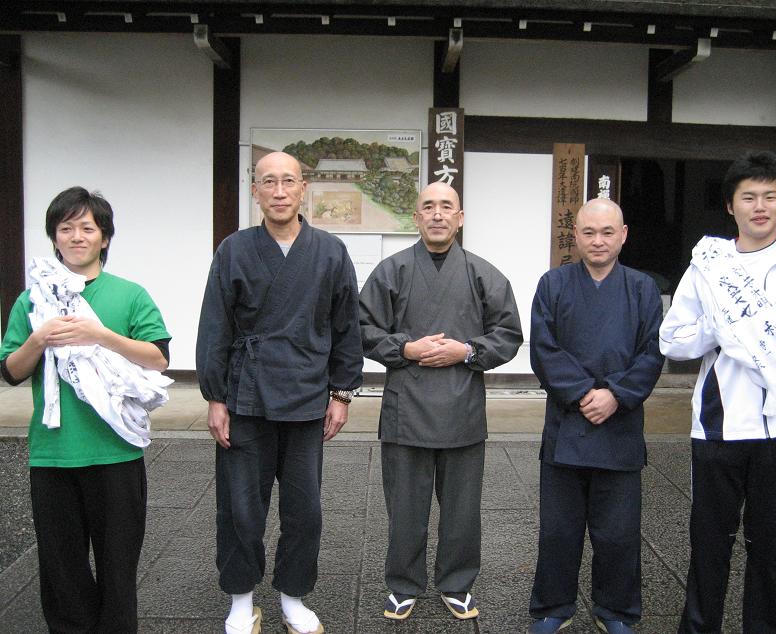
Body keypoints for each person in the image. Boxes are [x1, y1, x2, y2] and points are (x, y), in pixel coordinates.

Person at [660, 151, 776, 634]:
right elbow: (673, 340)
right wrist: (720, 328)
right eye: (748, 197)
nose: (758, 206)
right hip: (719, 426)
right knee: (708, 546)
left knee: (770, 549)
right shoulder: (708, 267)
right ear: (730, 207)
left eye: (769, 196)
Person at [196, 151, 363, 634]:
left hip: (308, 397)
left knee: (304, 507)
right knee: (240, 506)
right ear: (255, 190)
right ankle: (241, 599)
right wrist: (215, 396)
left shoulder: (329, 251)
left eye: (288, 180)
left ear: (303, 187)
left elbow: (346, 326)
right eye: (268, 181)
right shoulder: (233, 249)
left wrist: (342, 393)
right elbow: (215, 326)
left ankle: (293, 596)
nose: (279, 190)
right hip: (246, 397)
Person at [0, 186, 171, 633]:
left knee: (118, 569)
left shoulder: (129, 295)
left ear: (104, 238)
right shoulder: (32, 301)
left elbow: (157, 357)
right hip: (53, 454)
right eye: (65, 228)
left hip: (116, 453)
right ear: (54, 239)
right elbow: (12, 371)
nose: (77, 236)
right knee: (62, 570)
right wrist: (39, 338)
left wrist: (99, 335)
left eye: (87, 228)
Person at [358, 181, 523, 622]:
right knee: (406, 506)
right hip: (406, 408)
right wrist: (406, 349)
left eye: (446, 207)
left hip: (462, 405)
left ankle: (457, 582)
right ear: (416, 218)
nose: (437, 214)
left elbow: (508, 334)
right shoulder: (391, 271)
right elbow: (362, 329)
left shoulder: (483, 274)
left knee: (463, 507)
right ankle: (404, 584)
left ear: (460, 218)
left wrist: (466, 351)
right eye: (427, 207)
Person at [527, 198, 664, 634]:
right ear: (576, 236)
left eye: (608, 232)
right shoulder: (553, 284)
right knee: (558, 532)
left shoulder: (643, 289)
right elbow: (543, 349)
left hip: (619, 425)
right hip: (568, 425)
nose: (598, 240)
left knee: (619, 535)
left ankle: (617, 610)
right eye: (589, 232)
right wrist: (586, 393)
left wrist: (616, 395)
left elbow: (652, 353)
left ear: (623, 235)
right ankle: (553, 606)